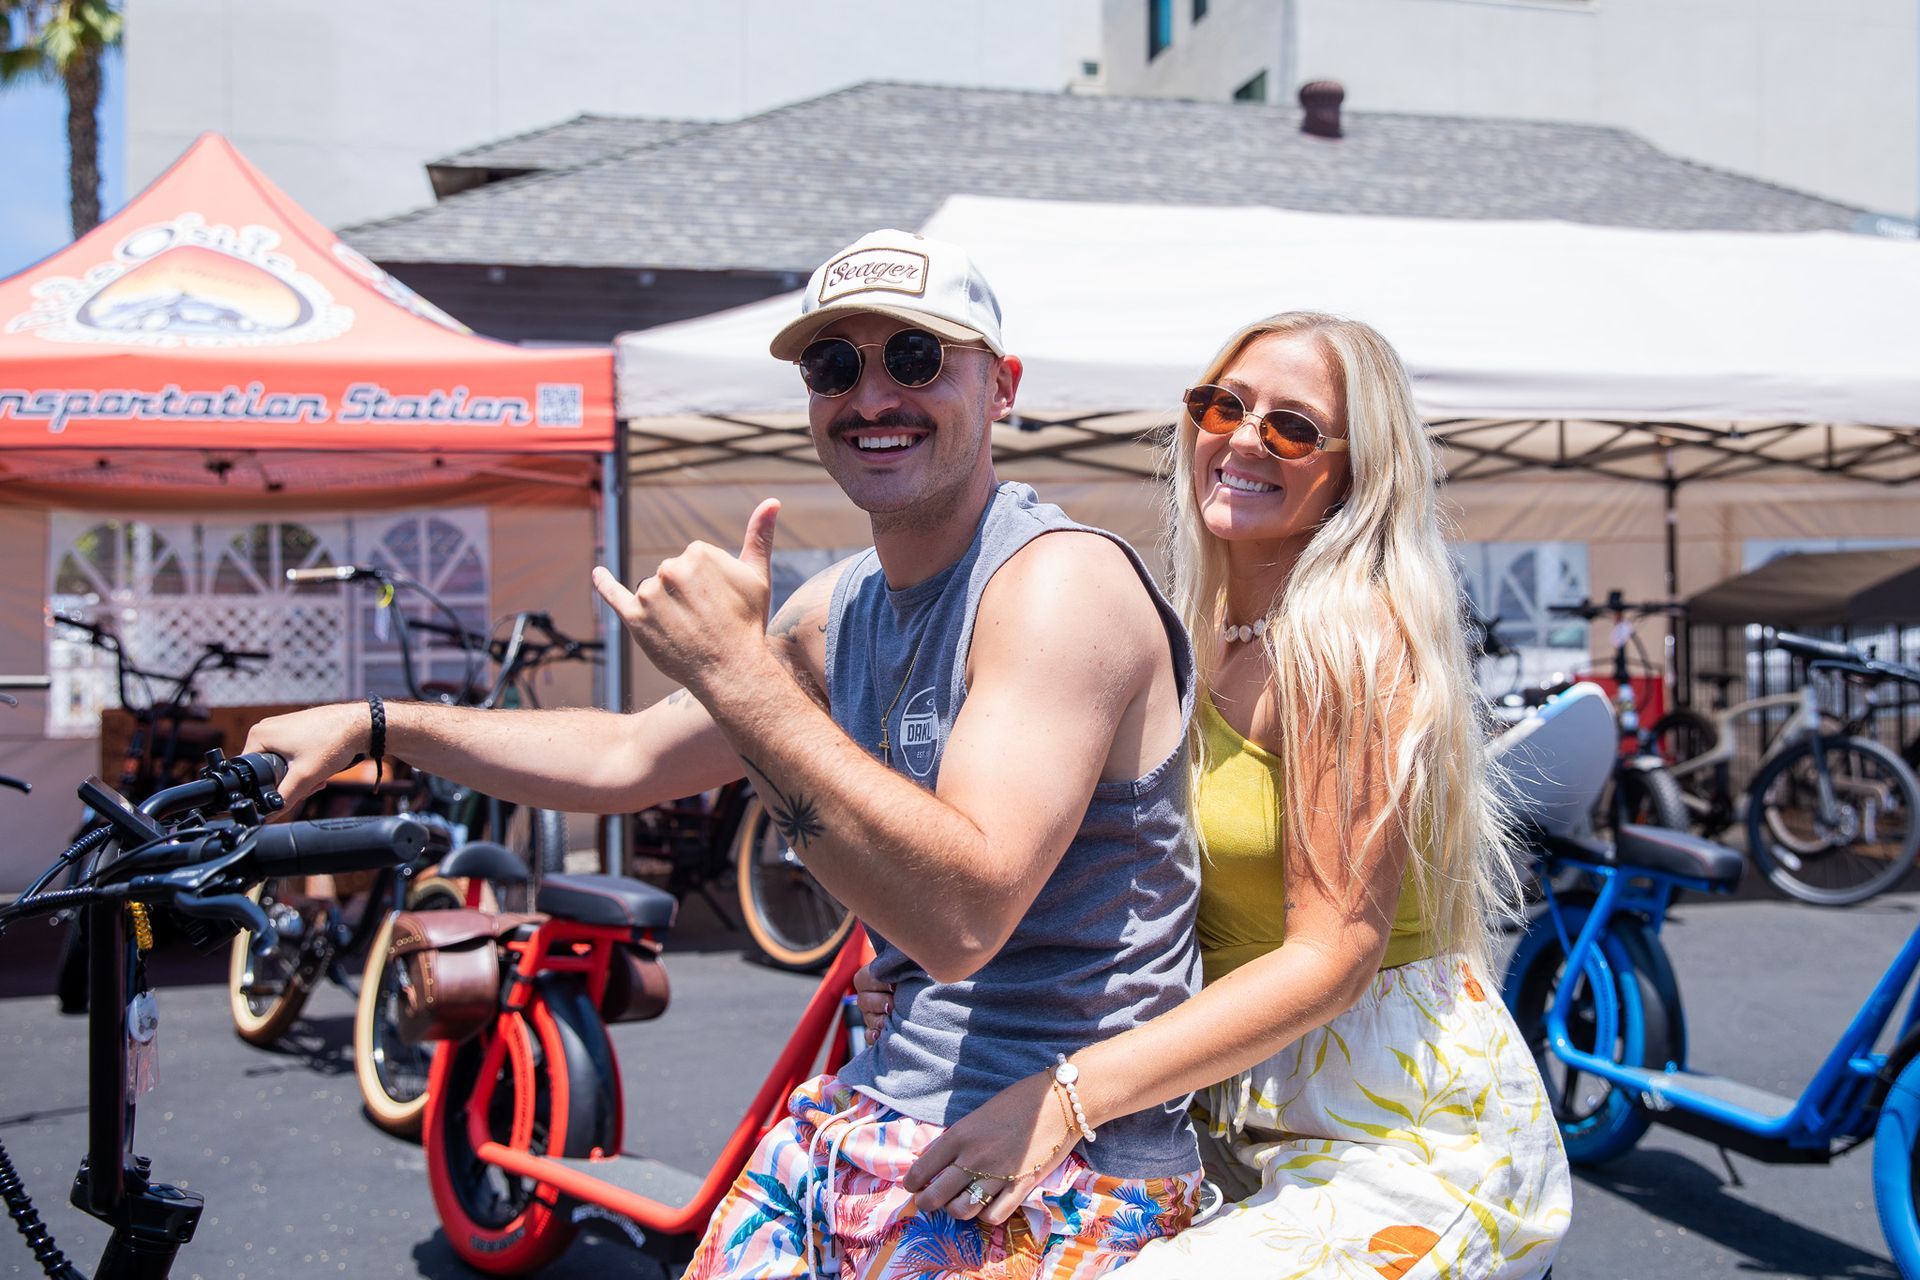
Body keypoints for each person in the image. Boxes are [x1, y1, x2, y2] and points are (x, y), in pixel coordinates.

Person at [243, 229, 1205, 1277]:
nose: (873, 394)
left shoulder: (1059, 586)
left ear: (1003, 384)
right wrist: (381, 724)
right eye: (835, 366)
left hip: (1063, 1160)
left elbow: (963, 917)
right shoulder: (838, 611)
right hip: (883, 1113)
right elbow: (626, 756)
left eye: (916, 357)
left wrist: (744, 678)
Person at [867, 312, 1573, 1277]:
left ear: (1358, 470)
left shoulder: (1351, 643)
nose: (1243, 438)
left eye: (1292, 426)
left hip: (1405, 1137)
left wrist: (1063, 1100)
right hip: (1237, 1123)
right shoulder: (1195, 640)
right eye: (1222, 406)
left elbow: (1333, 957)